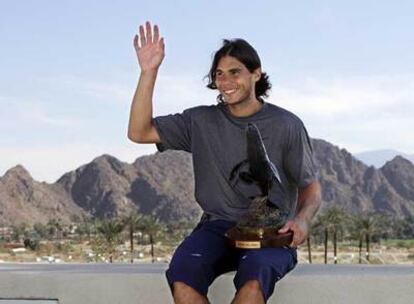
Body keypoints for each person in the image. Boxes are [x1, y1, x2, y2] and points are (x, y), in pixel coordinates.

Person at [128, 21, 321, 304]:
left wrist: (302, 220)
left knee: (253, 285)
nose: (226, 81)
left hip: (272, 232)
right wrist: (149, 72)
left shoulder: (286, 125)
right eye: (219, 74)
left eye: (235, 72)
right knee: (182, 277)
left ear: (256, 74)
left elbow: (311, 188)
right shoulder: (200, 121)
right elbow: (139, 132)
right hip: (216, 227)